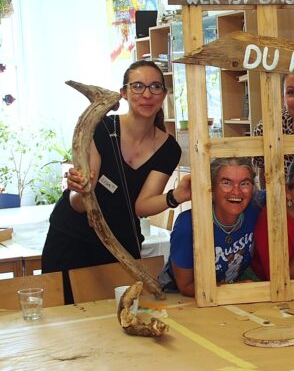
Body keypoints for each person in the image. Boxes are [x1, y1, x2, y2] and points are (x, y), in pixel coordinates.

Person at [42, 60, 190, 304]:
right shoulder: (100, 127)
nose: (147, 94)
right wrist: (79, 188)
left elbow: (141, 206)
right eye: (138, 86)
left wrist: (175, 197)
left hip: (119, 243)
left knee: (122, 316)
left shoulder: (169, 148)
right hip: (72, 237)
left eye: (155, 87)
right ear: (123, 93)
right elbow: (81, 201)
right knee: (64, 315)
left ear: (164, 94)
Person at [159, 157, 261, 296]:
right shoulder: (188, 225)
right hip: (180, 298)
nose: (236, 192)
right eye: (226, 183)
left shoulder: (255, 208)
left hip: (227, 297)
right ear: (211, 187)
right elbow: (186, 286)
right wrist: (234, 289)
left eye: (244, 183)